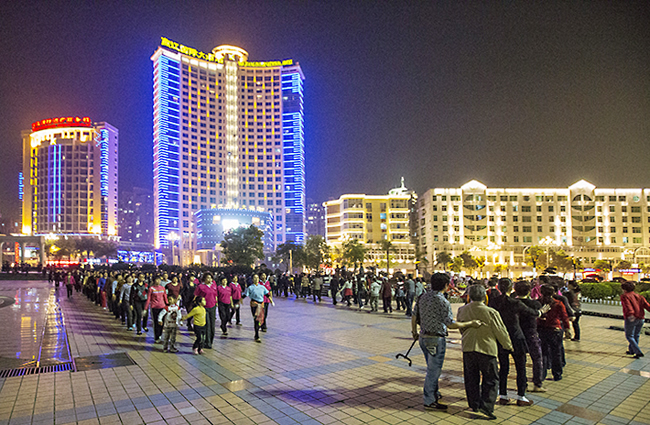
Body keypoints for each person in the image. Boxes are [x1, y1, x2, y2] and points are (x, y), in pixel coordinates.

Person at [411, 273, 484, 411]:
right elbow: (450, 324)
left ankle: (434, 393)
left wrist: (414, 332)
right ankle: (429, 400)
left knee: (431, 368)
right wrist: (470, 323)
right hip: (436, 339)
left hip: (423, 337)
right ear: (446, 285)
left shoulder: (422, 297)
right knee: (433, 371)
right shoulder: (443, 301)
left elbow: (414, 316)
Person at [456, 284, 513, 420]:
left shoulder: (462, 310)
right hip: (486, 348)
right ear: (484, 297)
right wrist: (508, 345)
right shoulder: (491, 312)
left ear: (469, 296)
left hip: (468, 347)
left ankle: (474, 403)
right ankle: (486, 406)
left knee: (471, 378)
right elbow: (500, 331)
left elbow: (461, 327)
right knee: (491, 378)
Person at [489, 278, 546, 406]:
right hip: (516, 336)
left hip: (501, 337)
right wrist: (541, 312)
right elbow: (532, 312)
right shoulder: (515, 303)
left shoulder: (494, 302)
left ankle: (503, 395)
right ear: (511, 289)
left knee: (503, 368)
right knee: (520, 367)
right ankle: (521, 396)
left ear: (498, 287)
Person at [514, 280, 546, 392]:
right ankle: (537, 384)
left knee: (520, 361)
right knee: (537, 359)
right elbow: (540, 316)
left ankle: (523, 384)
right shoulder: (535, 304)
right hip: (531, 333)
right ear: (529, 291)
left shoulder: (513, 303)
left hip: (517, 333)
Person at [537, 284, 571, 381]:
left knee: (543, 353)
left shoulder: (538, 303)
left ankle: (542, 374)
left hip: (542, 329)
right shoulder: (558, 303)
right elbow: (564, 317)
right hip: (555, 329)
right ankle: (557, 374)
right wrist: (567, 329)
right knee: (556, 353)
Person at [620, 281, 650, 359]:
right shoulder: (639, 296)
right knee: (636, 335)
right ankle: (631, 350)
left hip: (632, 318)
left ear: (624, 289)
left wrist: (631, 314)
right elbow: (647, 306)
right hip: (641, 318)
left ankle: (638, 352)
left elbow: (628, 306)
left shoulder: (625, 296)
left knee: (629, 336)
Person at [242, 274, 272, 342]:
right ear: (252, 279)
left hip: (261, 304)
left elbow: (267, 294)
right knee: (256, 319)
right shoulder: (250, 287)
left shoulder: (262, 287)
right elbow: (245, 295)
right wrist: (240, 299)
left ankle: (259, 328)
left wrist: (270, 299)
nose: (256, 279)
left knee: (261, 318)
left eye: (257, 277)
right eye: (255, 278)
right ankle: (257, 335)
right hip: (254, 304)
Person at [194, 273, 218, 349]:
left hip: (213, 307)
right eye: (207, 278)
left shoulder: (214, 286)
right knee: (207, 325)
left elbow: (215, 295)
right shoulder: (201, 287)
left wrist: (216, 303)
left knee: (212, 325)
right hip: (204, 308)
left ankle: (211, 340)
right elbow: (196, 296)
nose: (209, 279)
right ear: (204, 278)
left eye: (211, 278)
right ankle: (207, 342)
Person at [146, 276, 168, 343]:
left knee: (162, 322)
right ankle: (156, 336)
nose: (158, 281)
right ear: (154, 281)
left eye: (159, 280)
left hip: (162, 307)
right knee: (156, 322)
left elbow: (165, 297)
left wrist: (167, 305)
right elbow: (149, 299)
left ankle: (160, 334)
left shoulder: (163, 288)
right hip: (154, 307)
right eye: (157, 280)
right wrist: (146, 308)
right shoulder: (151, 289)